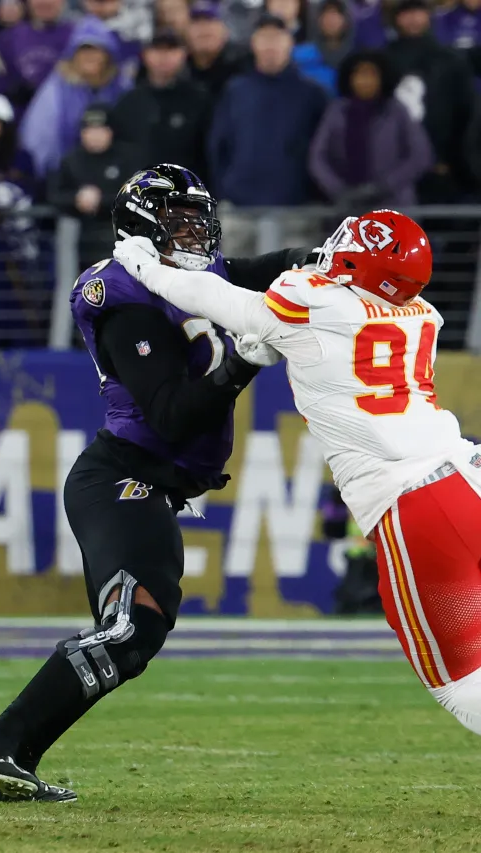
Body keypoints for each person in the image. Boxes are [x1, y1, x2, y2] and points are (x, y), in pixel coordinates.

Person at [0, 164, 314, 801]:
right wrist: (244, 364)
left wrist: (339, 256)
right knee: (128, 630)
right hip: (122, 476)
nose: (197, 233)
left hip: (150, 485)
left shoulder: (199, 277)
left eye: (201, 219)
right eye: (180, 222)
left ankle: (5, 758)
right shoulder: (122, 296)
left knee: (135, 636)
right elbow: (171, 414)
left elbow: (277, 264)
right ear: (144, 229)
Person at [112, 210, 481, 739]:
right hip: (468, 473)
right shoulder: (423, 315)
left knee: (460, 684)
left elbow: (218, 300)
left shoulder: (312, 299)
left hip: (414, 501)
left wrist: (144, 268)